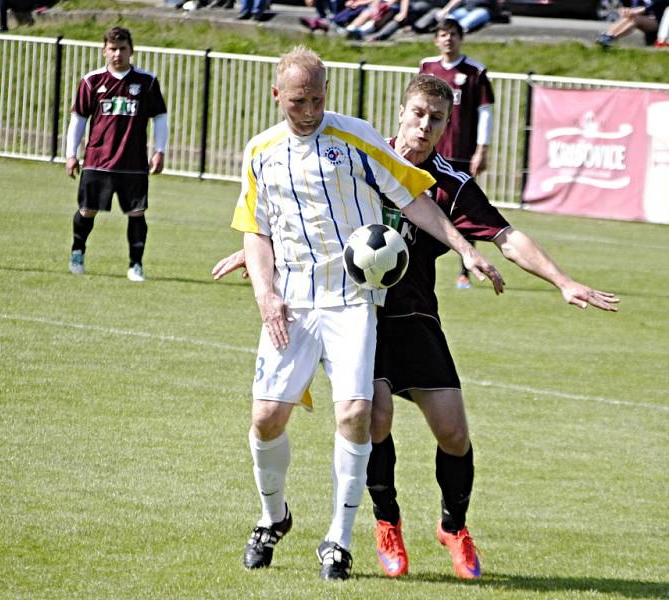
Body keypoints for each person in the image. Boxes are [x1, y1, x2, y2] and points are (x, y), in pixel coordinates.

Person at [215, 73, 619, 581]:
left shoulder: (450, 184)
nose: (425, 126)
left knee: (453, 432)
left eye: (437, 119)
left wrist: (562, 280)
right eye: (418, 114)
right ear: (401, 112)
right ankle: (386, 522)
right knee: (372, 415)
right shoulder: (358, 154)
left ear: (448, 126)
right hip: (361, 313)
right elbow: (303, 213)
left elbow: (506, 235)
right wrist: (258, 255)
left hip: (415, 317)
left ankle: (454, 526)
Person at [229, 46, 504, 581]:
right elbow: (256, 228)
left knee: (357, 413)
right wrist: (265, 292)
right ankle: (272, 517)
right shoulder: (260, 150)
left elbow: (414, 197)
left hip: (354, 301)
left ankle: (339, 538)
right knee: (266, 418)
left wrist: (466, 247)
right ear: (276, 96)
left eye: (316, 99)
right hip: (292, 301)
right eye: (297, 102)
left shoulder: (355, 137)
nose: (308, 111)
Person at [65, 26, 168, 282]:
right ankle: (77, 252)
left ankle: (136, 265)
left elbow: (160, 117)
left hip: (132, 162)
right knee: (87, 210)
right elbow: (78, 118)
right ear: (104, 51)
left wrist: (159, 151)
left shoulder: (147, 82)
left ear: (131, 51)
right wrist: (71, 153)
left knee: (136, 213)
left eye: (122, 49)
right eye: (112, 49)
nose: (117, 54)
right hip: (97, 160)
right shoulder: (92, 81)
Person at [420, 17, 493, 288]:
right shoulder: (427, 67)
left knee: (463, 210)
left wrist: (481, 149)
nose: (448, 38)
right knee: (420, 205)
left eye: (453, 34)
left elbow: (485, 113)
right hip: (430, 154)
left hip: (461, 155)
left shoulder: (475, 72)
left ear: (461, 38)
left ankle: (465, 270)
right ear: (436, 39)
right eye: (443, 34)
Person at [596, 0, 665, 48]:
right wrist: (627, 11)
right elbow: (635, 8)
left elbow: (658, 4)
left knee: (636, 20)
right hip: (647, 20)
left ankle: (612, 38)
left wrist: (643, 10)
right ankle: (607, 35)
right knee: (630, 17)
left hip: (661, 24)